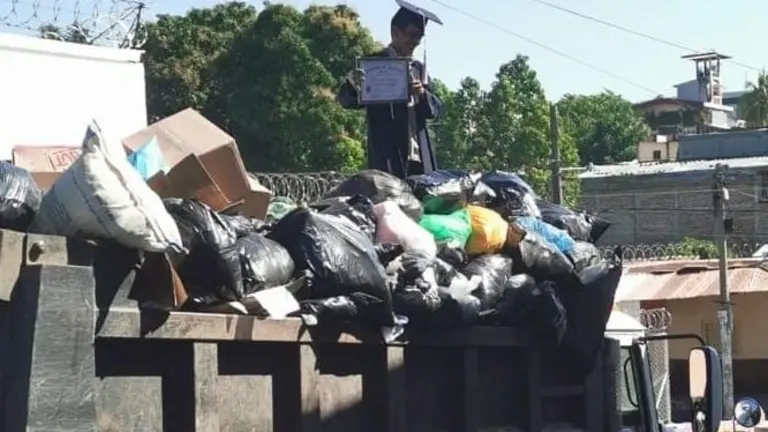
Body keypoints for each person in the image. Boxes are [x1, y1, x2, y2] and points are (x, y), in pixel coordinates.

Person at [337, 2, 444, 179]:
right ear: (395, 32)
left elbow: (438, 109)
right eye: (411, 34)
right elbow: (345, 100)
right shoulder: (373, 65)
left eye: (419, 36)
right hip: (388, 156)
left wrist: (422, 95)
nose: (415, 41)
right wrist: (352, 84)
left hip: (420, 156)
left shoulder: (419, 69)